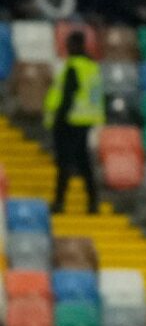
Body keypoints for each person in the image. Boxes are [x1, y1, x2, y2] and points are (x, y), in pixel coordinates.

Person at [44, 30, 101, 215]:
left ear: (75, 45)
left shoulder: (74, 66)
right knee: (84, 163)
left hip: (69, 121)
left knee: (64, 163)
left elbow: (68, 96)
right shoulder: (92, 67)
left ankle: (60, 202)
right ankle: (93, 202)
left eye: (69, 44)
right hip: (86, 120)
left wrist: (58, 121)